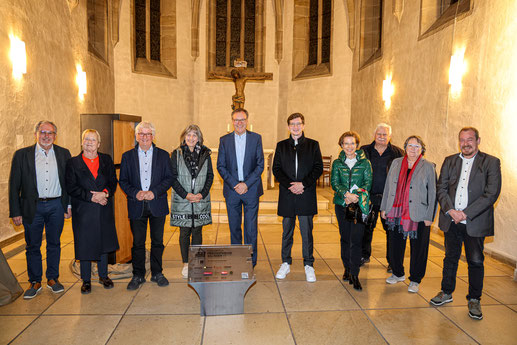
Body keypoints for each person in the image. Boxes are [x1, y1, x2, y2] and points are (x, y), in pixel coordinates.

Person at [430, 127, 501, 320]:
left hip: (475, 221)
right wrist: (451, 211)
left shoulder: (491, 162)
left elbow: (491, 194)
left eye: (470, 139)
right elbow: (441, 188)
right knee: (450, 258)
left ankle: (474, 299)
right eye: (462, 140)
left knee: (475, 261)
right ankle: (446, 292)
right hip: (451, 220)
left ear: (478, 140)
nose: (466, 143)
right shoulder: (450, 160)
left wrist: (465, 214)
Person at [9, 121, 71, 299]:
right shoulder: (22, 155)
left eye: (50, 133)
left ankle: (52, 278)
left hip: (56, 205)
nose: (46, 136)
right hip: (32, 207)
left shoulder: (63, 153)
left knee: (54, 244)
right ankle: (34, 281)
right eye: (42, 132)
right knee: (32, 245)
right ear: (36, 133)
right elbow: (14, 185)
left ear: (55, 136)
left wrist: (68, 205)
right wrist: (15, 211)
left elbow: (68, 182)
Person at [119, 121, 173, 290]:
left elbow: (169, 178)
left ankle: (157, 273)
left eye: (147, 134)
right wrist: (136, 192)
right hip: (137, 205)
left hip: (157, 204)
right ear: (136, 136)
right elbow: (123, 181)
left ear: (153, 136)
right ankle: (138, 275)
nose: (144, 137)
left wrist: (153, 192)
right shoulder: (127, 156)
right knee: (138, 243)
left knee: (157, 242)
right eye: (141, 134)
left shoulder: (163, 155)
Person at [380, 135, 437, 293]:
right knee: (395, 244)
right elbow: (388, 187)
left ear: (422, 149)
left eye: (417, 146)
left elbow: (433, 193)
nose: (413, 149)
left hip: (418, 213)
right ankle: (398, 273)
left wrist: (429, 216)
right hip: (396, 210)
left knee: (419, 248)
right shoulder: (396, 163)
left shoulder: (428, 167)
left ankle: (415, 279)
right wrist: (384, 207)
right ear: (405, 148)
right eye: (410, 146)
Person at [65, 129, 119, 294]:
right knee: (85, 244)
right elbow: (71, 187)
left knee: (103, 242)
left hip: (103, 207)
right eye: (86, 139)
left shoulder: (106, 160)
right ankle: (86, 280)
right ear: (82, 142)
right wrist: (91, 197)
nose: (89, 142)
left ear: (99, 143)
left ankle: (104, 276)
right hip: (84, 209)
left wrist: (105, 194)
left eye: (93, 140)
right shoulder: (73, 163)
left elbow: (112, 181)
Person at [273, 113, 323, 282]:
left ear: (303, 125)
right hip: (287, 194)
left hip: (306, 193)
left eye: (298, 124)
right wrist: (291, 185)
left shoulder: (313, 145)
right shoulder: (281, 146)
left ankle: (309, 264)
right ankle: (285, 263)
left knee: (306, 232)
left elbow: (318, 168)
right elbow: (276, 169)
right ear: (288, 127)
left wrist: (303, 184)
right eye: (292, 124)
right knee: (287, 232)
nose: (295, 127)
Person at [217, 108, 264, 267]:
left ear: (247, 121)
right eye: (236, 120)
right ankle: (237, 261)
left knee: (250, 229)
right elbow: (221, 166)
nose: (239, 123)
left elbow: (260, 165)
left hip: (251, 190)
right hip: (232, 191)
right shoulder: (224, 140)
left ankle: (250, 261)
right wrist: (235, 184)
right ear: (232, 122)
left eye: (242, 120)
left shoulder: (256, 138)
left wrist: (246, 184)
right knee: (234, 227)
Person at [170, 125, 214, 278]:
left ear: (199, 138)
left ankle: (196, 262)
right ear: (184, 137)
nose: (191, 138)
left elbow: (210, 176)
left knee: (197, 231)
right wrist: (186, 194)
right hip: (184, 199)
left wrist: (202, 194)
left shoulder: (205, 154)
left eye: (194, 135)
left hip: (200, 199)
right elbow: (173, 178)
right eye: (188, 135)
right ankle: (185, 263)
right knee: (184, 231)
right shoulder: (176, 154)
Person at [331, 131, 372, 291]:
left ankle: (355, 273)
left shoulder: (365, 163)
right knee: (345, 238)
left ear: (357, 145)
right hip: (342, 205)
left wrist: (356, 196)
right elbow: (335, 183)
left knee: (356, 239)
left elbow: (368, 182)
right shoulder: (337, 163)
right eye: (346, 143)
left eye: (352, 143)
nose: (349, 146)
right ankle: (347, 268)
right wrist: (345, 194)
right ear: (341, 145)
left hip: (359, 205)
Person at [360, 123, 404, 271]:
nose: (381, 137)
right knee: (366, 227)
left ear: (389, 136)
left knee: (391, 230)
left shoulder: (398, 153)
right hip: (368, 196)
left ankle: (392, 262)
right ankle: (363, 255)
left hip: (389, 199)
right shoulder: (364, 151)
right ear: (374, 135)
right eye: (379, 134)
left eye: (385, 134)